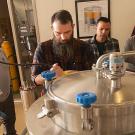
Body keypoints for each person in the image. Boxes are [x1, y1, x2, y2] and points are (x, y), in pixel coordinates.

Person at [31, 9, 95, 85]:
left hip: (80, 94)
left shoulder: (85, 47)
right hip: (52, 94)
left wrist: (72, 75)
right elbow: (34, 79)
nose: (63, 37)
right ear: (52, 28)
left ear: (73, 27)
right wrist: (50, 75)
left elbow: (93, 75)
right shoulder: (43, 48)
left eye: (67, 32)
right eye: (58, 33)